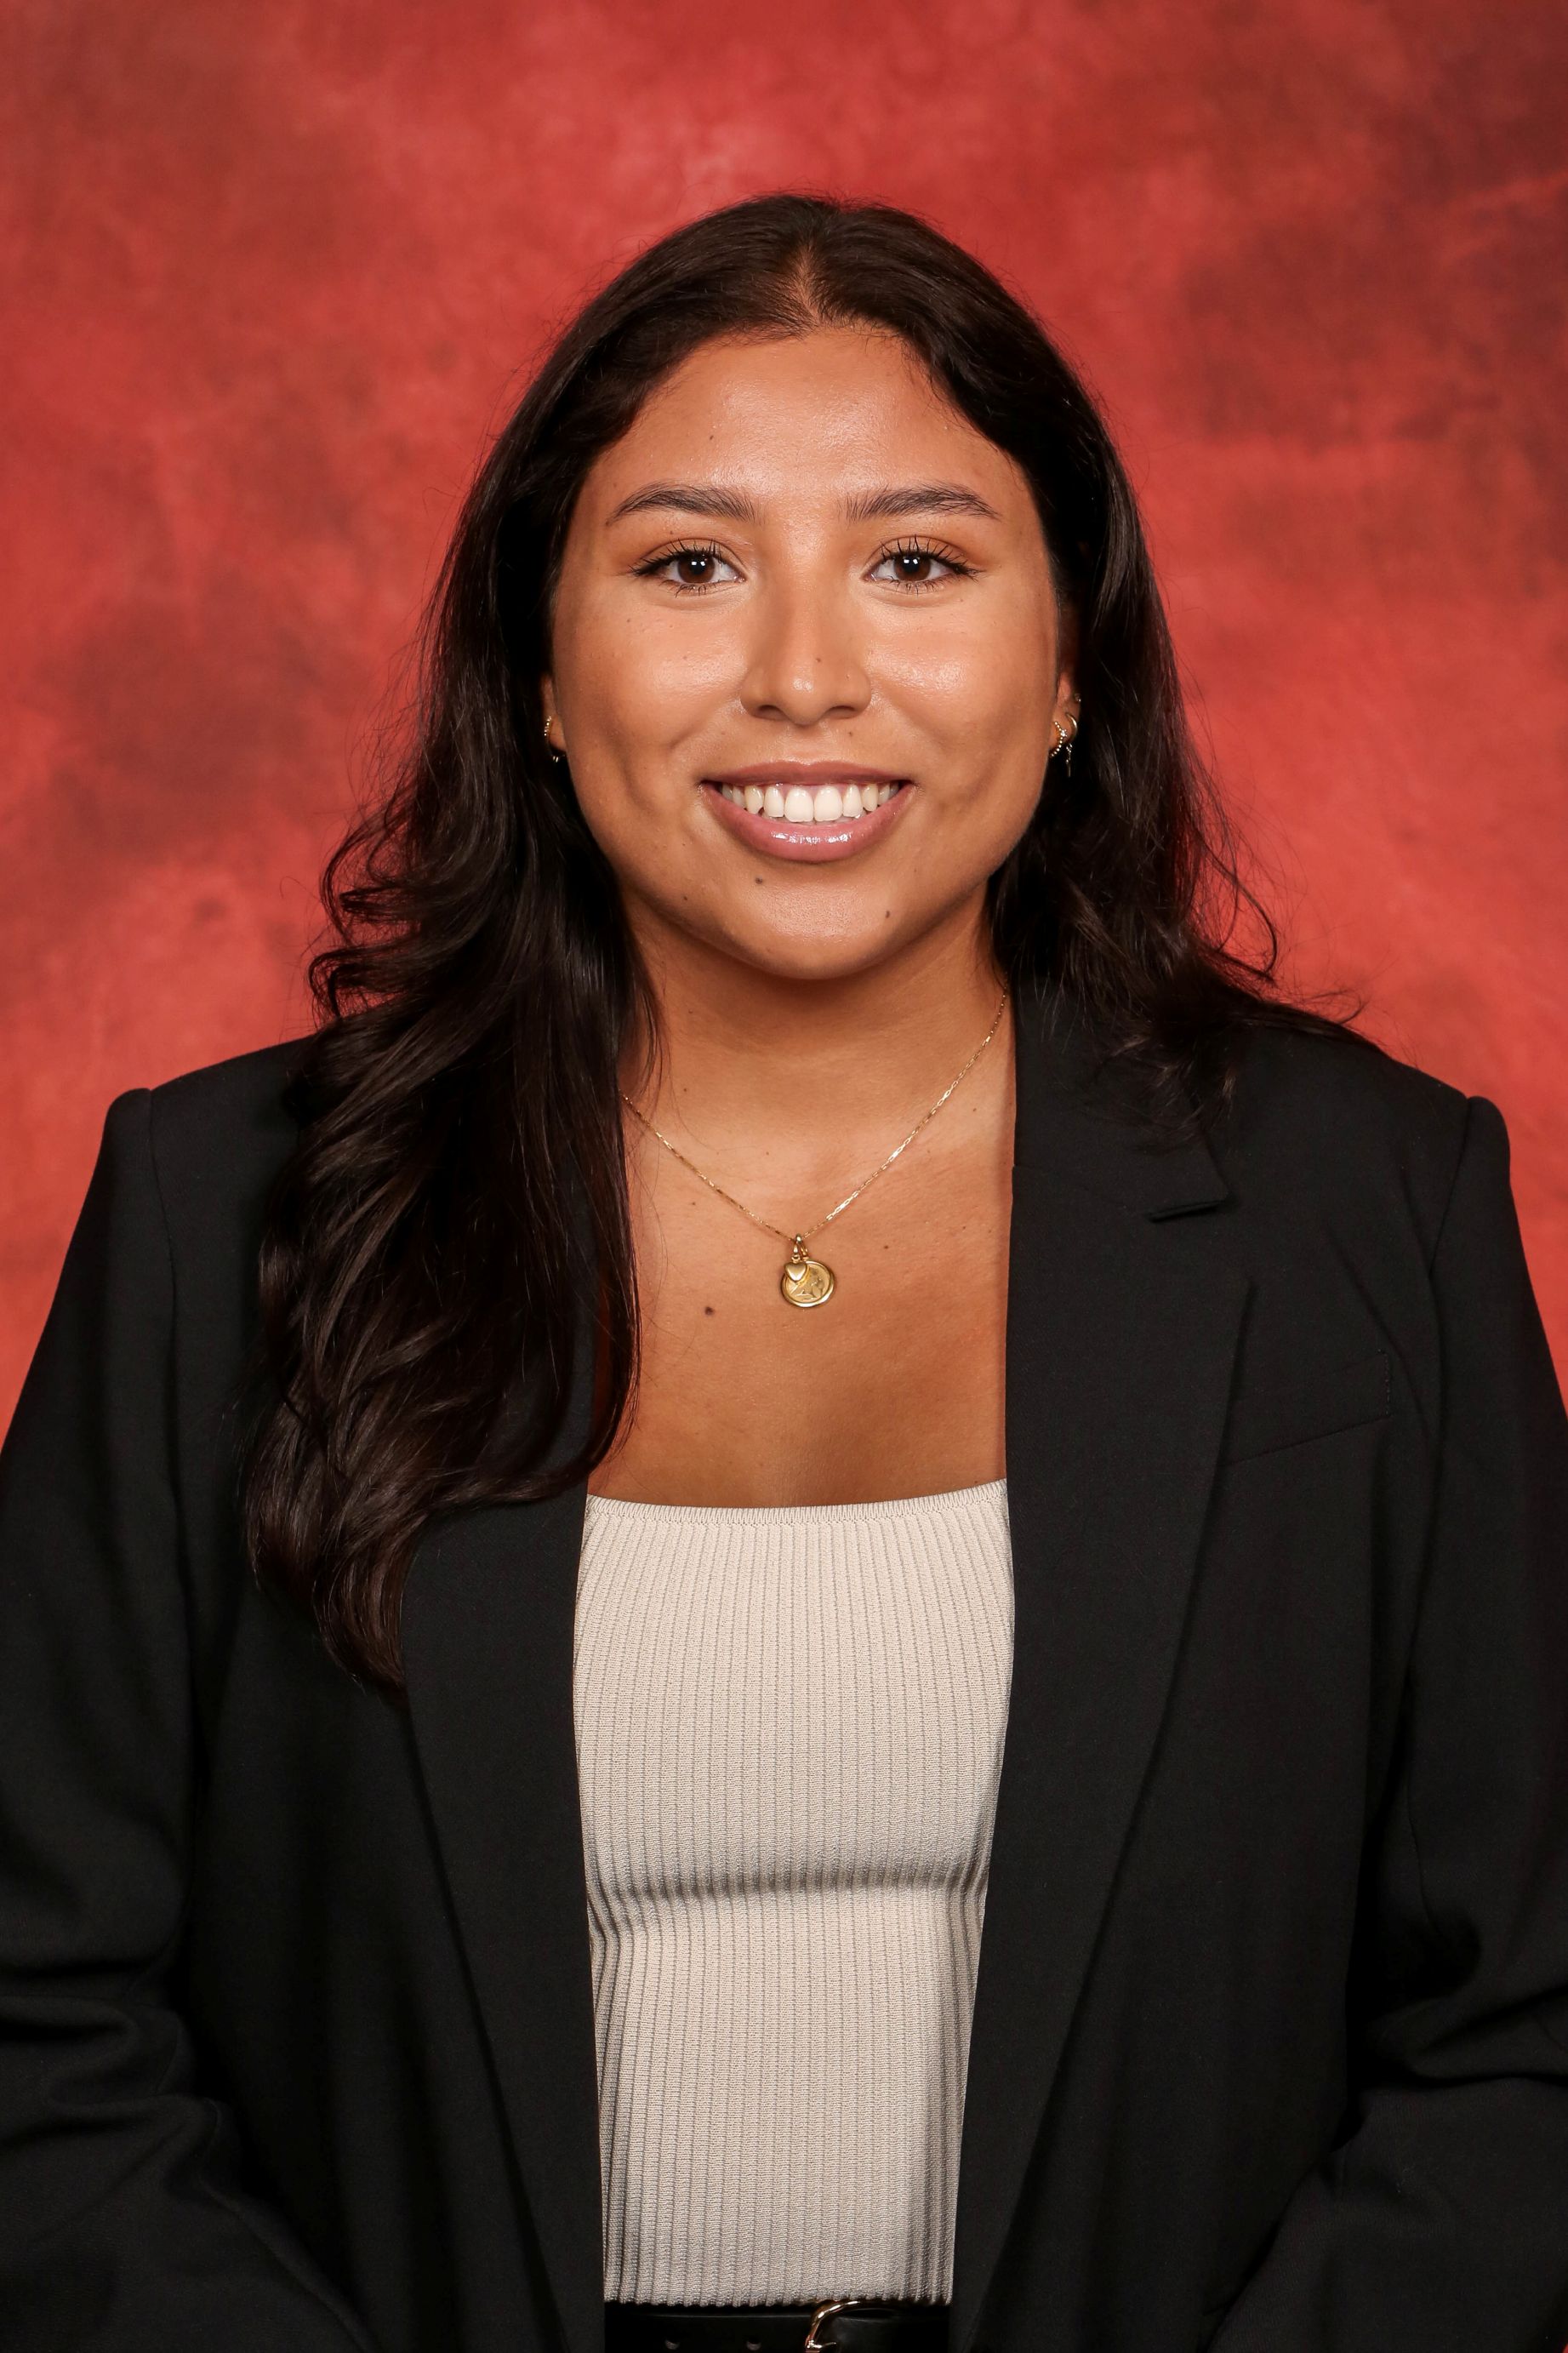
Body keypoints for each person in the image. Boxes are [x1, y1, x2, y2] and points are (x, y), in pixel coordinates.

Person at [1, 191, 1565, 2353]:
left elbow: (1526, 2040)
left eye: (916, 561)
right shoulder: (217, 1213)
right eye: (687, 564)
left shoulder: (1363, 1207)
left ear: (1070, 668)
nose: (805, 672)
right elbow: (38, 2039)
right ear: (543, 674)